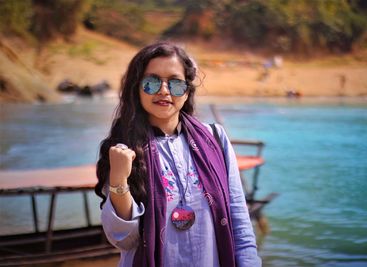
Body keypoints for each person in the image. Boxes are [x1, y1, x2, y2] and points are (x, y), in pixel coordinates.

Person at [95, 41, 261, 267]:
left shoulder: (215, 139)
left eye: (175, 83)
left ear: (187, 91)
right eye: (152, 82)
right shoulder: (121, 148)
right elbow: (124, 239)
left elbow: (240, 225)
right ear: (137, 88)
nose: (164, 91)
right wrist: (118, 179)